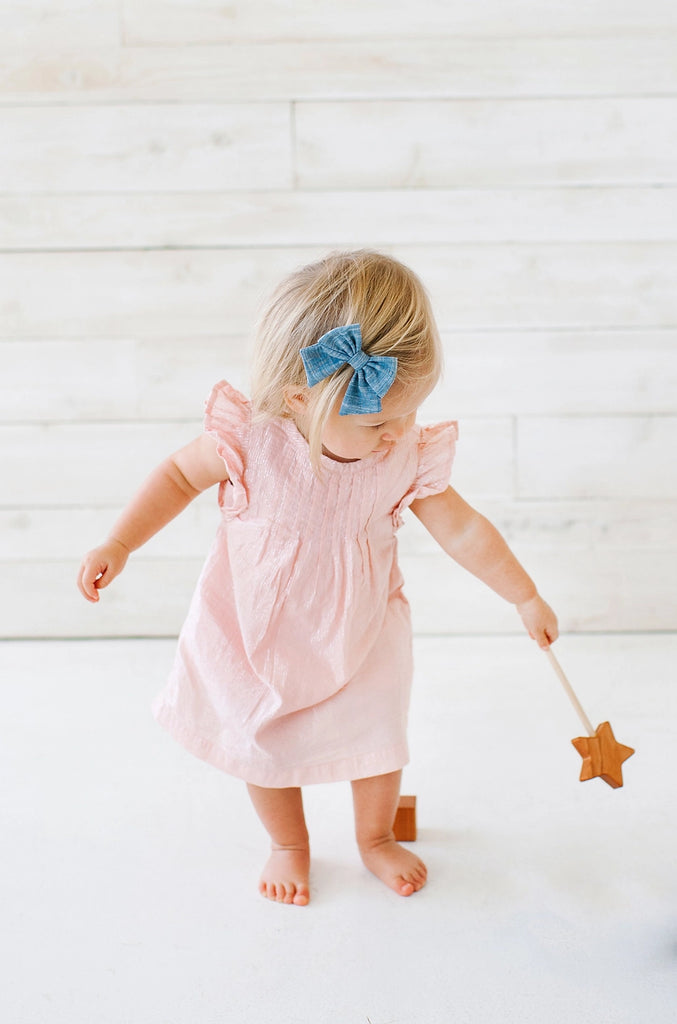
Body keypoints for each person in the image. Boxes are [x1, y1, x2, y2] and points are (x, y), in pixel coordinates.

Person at [77, 250, 558, 907]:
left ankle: (374, 836)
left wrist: (522, 594)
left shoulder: (402, 455)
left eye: (408, 414)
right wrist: (120, 540)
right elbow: (178, 475)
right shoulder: (251, 440)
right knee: (260, 738)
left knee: (378, 737)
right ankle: (288, 844)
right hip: (256, 623)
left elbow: (463, 528)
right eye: (378, 421)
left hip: (360, 628)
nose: (397, 434)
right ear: (300, 397)